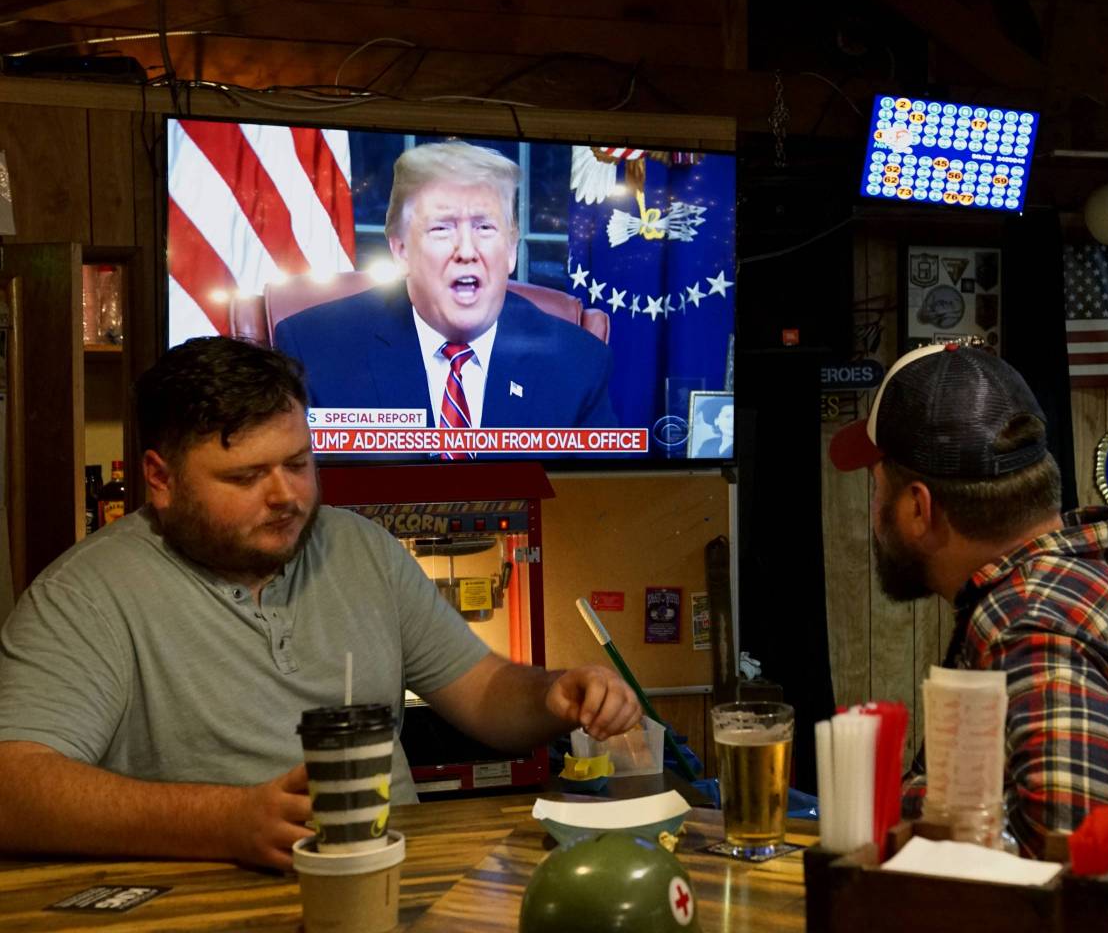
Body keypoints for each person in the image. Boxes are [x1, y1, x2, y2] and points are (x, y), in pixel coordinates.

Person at [0, 337, 639, 869]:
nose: (286, 496)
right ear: (161, 479)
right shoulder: (87, 595)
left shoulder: (361, 549)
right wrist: (227, 823)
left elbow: (484, 692)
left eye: (299, 463)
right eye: (246, 477)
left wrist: (556, 694)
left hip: (394, 878)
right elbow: (14, 788)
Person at [828, 343, 1108, 858]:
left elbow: (1083, 887)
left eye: (876, 488)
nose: (872, 510)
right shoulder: (1092, 567)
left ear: (919, 508)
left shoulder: (1032, 630)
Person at [273, 141, 616, 430]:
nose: (466, 251)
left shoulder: (578, 362)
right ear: (401, 250)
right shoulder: (315, 349)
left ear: (511, 250)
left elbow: (601, 499)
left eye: (484, 227)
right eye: (442, 228)